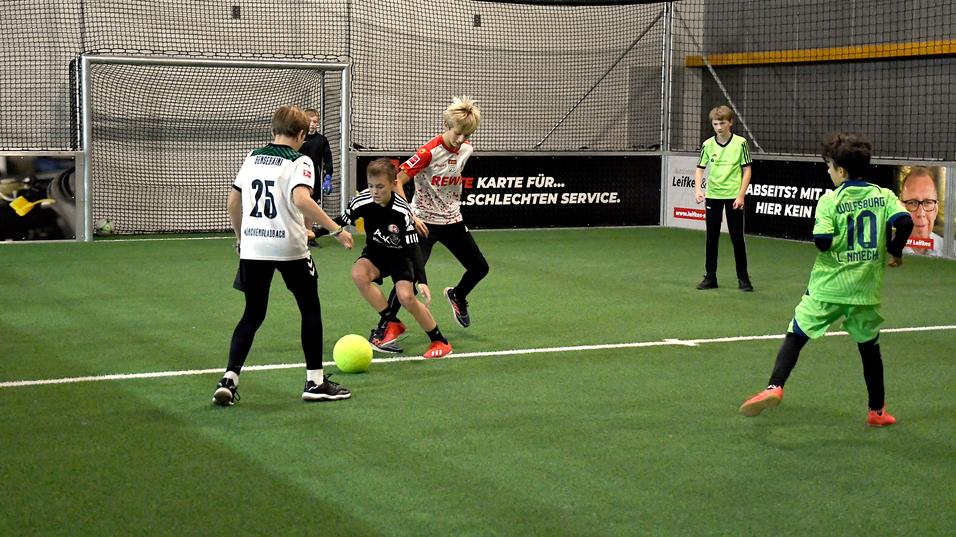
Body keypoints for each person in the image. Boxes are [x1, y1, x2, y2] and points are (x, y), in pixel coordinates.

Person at [739, 132, 913, 427]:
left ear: (841, 171)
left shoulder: (830, 200)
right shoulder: (883, 195)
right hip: (864, 291)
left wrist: (834, 241)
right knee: (870, 350)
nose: (828, 172)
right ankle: (877, 411)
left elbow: (822, 241)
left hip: (827, 288)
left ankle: (774, 386)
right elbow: (905, 222)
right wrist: (894, 250)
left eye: (829, 167)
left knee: (796, 334)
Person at [213, 105, 354, 406]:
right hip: (288, 247)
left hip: (254, 247)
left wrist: (240, 238)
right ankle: (315, 381)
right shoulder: (300, 161)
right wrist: (335, 229)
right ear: (302, 134)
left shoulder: (253, 157)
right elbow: (301, 199)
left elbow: (233, 202)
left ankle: (229, 378)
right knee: (309, 308)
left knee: (253, 313)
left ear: (273, 130)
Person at [372, 96, 489, 348]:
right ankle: (384, 328)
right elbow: (397, 181)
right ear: (447, 126)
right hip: (423, 222)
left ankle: (458, 295)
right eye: (458, 133)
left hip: (453, 220)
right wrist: (410, 215)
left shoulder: (467, 149)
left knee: (480, 267)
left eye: (467, 135)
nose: (461, 139)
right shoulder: (428, 152)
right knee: (408, 279)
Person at [343, 157, 452, 359]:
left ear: (393, 184)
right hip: (376, 254)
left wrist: (422, 281)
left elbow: (413, 248)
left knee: (406, 297)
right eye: (371, 186)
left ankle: (440, 341)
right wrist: (319, 232)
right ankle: (391, 321)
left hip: (402, 257)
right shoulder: (363, 200)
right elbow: (341, 220)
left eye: (380, 187)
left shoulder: (401, 210)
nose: (375, 191)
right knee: (358, 273)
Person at [694, 105, 754, 291]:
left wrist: (741, 195)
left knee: (737, 238)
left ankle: (743, 279)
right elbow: (700, 168)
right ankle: (710, 277)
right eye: (715, 124)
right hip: (713, 196)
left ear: (730, 123)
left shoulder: (741, 143)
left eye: (722, 123)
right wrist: (698, 190)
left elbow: (747, 170)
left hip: (733, 197)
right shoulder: (707, 145)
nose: (719, 127)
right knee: (711, 238)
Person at [300, 108, 335, 242]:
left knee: (311, 205)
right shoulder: (299, 138)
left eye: (315, 122)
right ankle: (297, 235)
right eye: (309, 122)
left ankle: (309, 236)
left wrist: (328, 177)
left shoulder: (322, 140)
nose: (312, 124)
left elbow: (328, 159)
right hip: (299, 175)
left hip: (314, 177)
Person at [899, 166, 942, 256]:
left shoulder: (952, 251)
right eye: (912, 203)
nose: (921, 213)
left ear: (936, 210)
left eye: (928, 202)